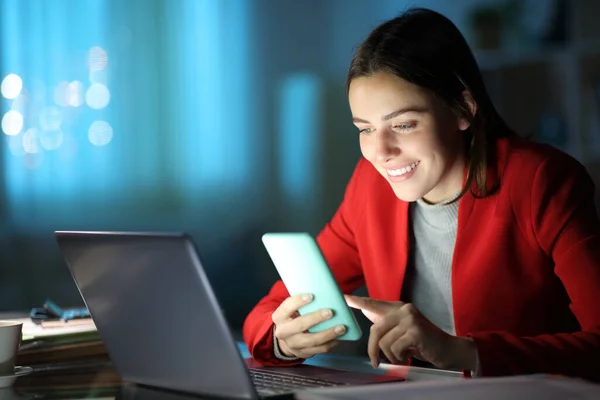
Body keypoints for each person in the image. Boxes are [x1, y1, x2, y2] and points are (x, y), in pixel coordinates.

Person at [243, 7, 600, 381]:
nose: (381, 152)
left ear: (463, 109)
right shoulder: (370, 186)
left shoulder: (541, 181)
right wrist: (283, 340)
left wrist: (462, 351)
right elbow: (266, 313)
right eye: (365, 129)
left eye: (404, 124)